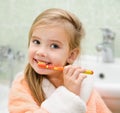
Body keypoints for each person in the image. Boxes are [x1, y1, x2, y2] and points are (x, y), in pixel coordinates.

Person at [8, 8, 112, 113]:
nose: (40, 52)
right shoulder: (22, 85)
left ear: (71, 55)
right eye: (36, 41)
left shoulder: (83, 87)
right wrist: (68, 95)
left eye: (54, 46)